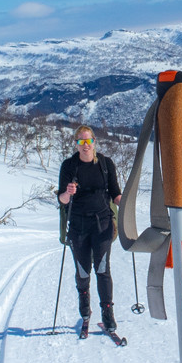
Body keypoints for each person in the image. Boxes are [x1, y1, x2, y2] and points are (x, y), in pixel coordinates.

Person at [58, 125, 123, 336]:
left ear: (94, 141)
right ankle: (85, 310)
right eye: (81, 142)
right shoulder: (69, 166)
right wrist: (68, 193)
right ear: (76, 144)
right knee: (83, 271)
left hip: (102, 224)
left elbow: (115, 193)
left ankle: (108, 315)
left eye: (88, 141)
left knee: (103, 270)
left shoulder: (105, 163)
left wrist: (125, 201)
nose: (85, 146)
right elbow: (62, 199)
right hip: (78, 226)